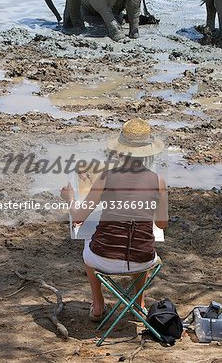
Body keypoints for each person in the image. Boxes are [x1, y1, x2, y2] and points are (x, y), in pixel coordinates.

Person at [61, 118, 168, 321]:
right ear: (148, 152)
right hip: (142, 262)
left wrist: (70, 198)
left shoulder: (106, 176)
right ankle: (138, 304)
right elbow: (162, 225)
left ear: (120, 150)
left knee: (88, 244)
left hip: (103, 258)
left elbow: (78, 217)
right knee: (142, 242)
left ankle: (98, 305)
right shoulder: (158, 181)